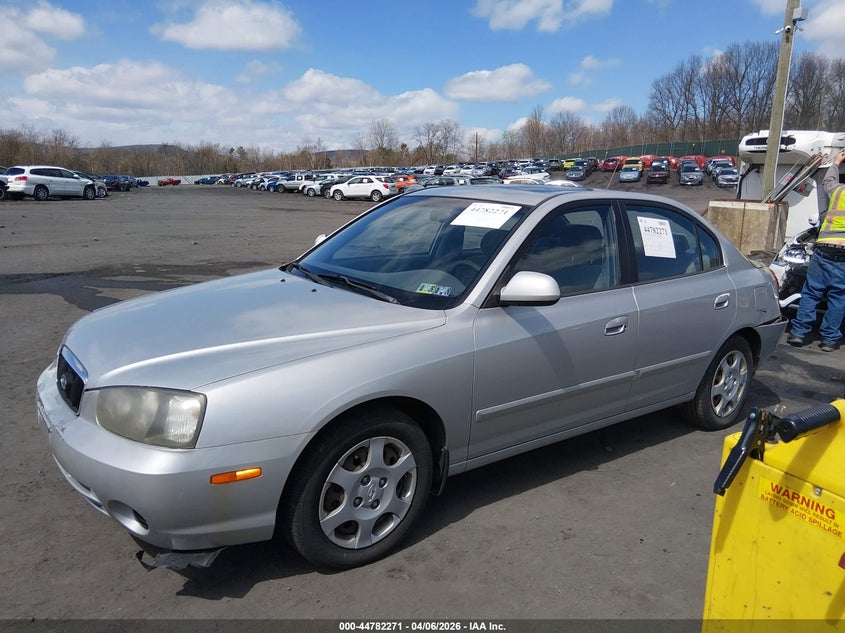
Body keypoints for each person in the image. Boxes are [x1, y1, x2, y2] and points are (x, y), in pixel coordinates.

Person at [787, 150, 845, 351]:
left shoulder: (838, 192)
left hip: (825, 249)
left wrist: (836, 162)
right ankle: (829, 340)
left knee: (812, 292)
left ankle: (798, 333)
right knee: (839, 296)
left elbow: (828, 180)